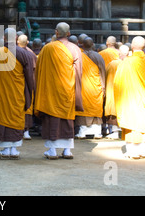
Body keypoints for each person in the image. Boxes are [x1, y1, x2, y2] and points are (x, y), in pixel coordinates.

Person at [34, 22, 83, 160]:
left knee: (51, 119)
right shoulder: (75, 49)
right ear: (69, 33)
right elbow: (79, 72)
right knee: (67, 119)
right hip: (67, 89)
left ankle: (52, 151)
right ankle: (67, 150)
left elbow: (39, 70)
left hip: (50, 90)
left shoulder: (47, 48)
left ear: (56, 32)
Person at [0, 28, 35, 160]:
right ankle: (13, 149)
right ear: (16, 39)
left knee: (3, 118)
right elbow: (29, 76)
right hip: (17, 94)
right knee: (15, 118)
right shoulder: (24, 53)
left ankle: (5, 149)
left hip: (0, 94)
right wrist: (30, 91)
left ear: (5, 38)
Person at [114, 36, 145, 159]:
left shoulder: (126, 61)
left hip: (129, 99)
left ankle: (132, 151)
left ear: (132, 47)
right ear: (144, 47)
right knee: (143, 122)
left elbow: (117, 82)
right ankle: (143, 151)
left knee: (131, 122)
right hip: (144, 97)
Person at [75, 37, 106, 139]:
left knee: (85, 108)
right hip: (96, 87)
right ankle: (97, 132)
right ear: (93, 44)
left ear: (82, 45)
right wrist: (103, 87)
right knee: (95, 108)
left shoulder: (79, 56)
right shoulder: (98, 56)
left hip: (83, 87)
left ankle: (82, 132)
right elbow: (102, 72)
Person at [104, 44, 130, 139]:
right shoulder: (131, 64)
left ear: (119, 53)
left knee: (114, 109)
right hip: (126, 92)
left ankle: (115, 131)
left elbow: (106, 75)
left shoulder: (113, 64)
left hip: (113, 90)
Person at [17, 34, 37, 140]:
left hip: (17, 84)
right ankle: (26, 132)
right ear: (27, 42)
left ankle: (20, 131)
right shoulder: (31, 54)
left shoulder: (12, 53)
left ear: (17, 42)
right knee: (27, 105)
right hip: (28, 83)